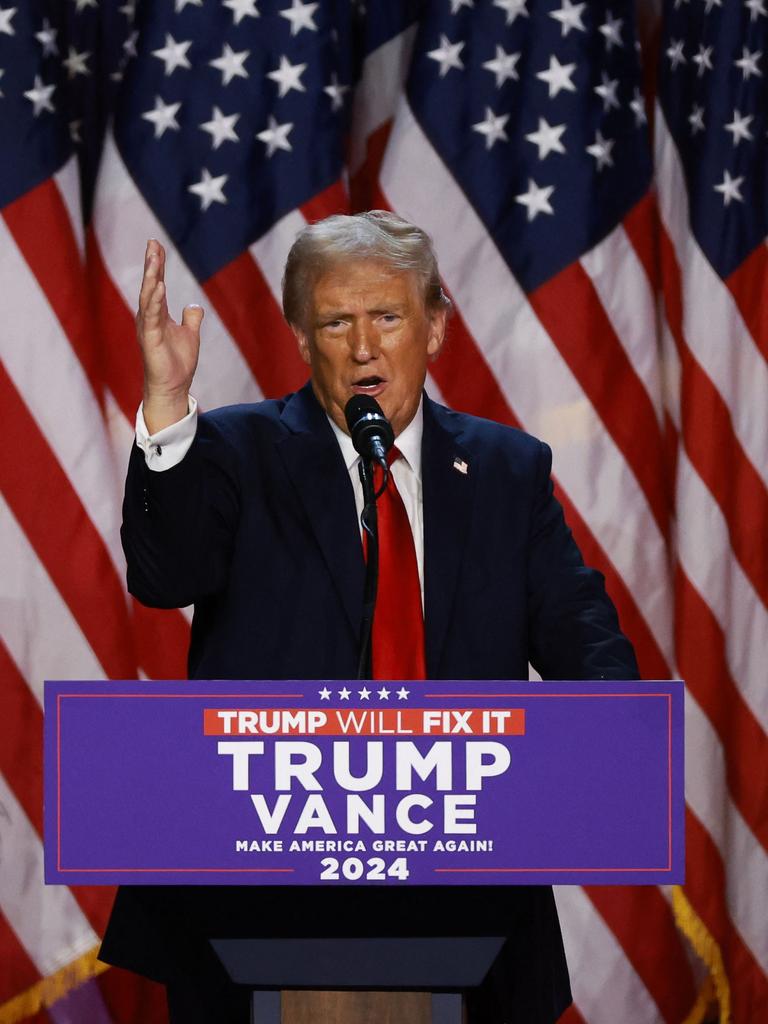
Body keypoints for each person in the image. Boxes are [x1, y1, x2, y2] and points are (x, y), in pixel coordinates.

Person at [100, 211, 639, 1023]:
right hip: (258, 896)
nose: (363, 346)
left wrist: (614, 740)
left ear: (437, 327)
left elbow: (579, 631)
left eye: (387, 316)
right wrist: (170, 404)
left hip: (468, 892)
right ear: (299, 335)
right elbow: (163, 575)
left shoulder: (505, 469)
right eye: (335, 321)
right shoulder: (236, 451)